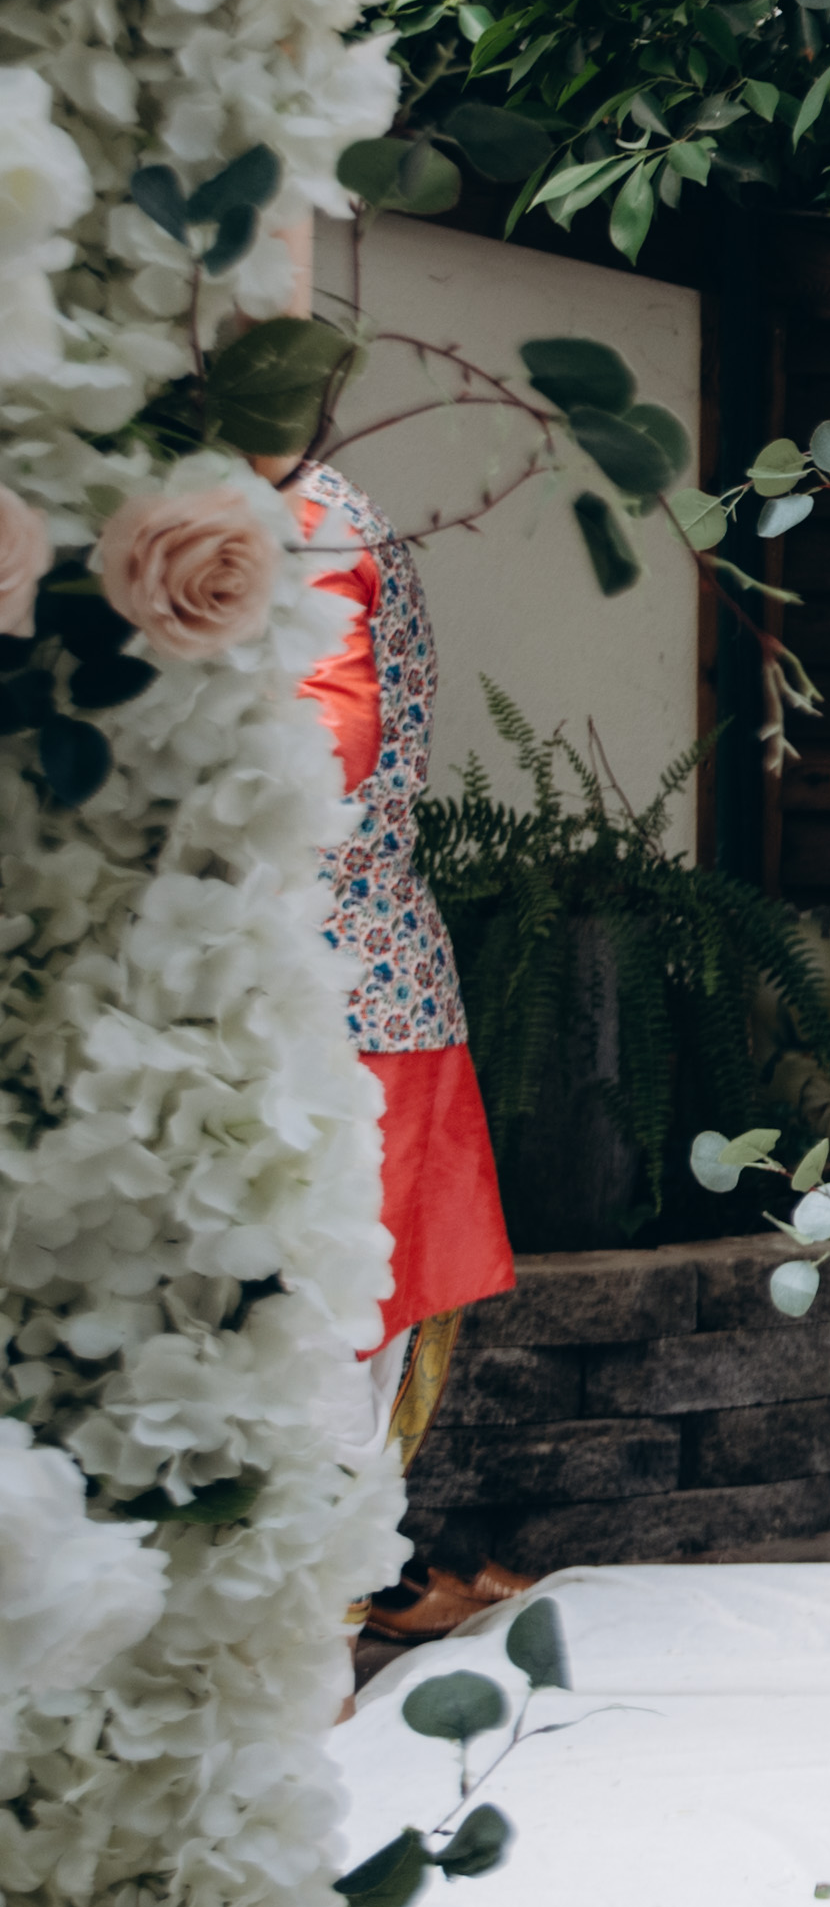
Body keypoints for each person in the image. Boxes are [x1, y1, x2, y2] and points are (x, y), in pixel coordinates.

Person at [279, 456, 512, 1527]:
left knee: (320, 1341)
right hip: (362, 987)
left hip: (334, 997)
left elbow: (325, 748)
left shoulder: (305, 520)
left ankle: (325, 1605)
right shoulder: (316, 506)